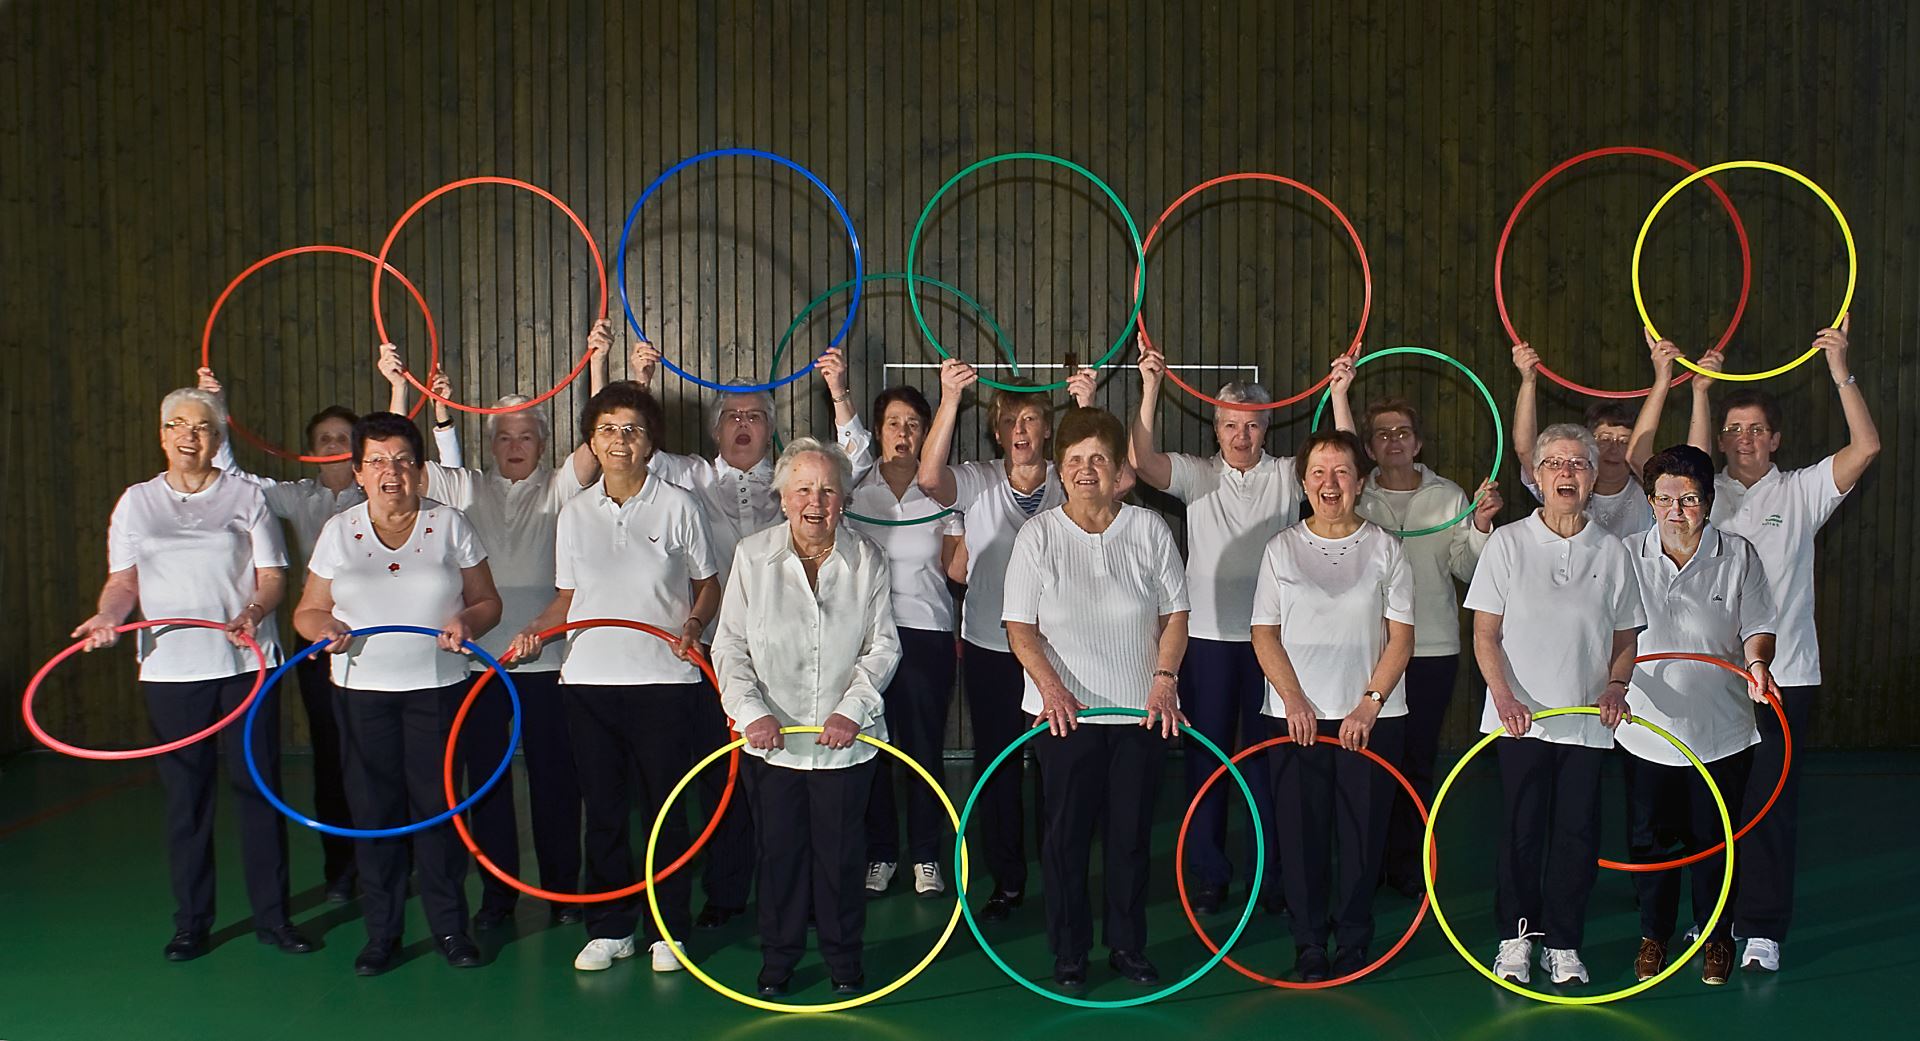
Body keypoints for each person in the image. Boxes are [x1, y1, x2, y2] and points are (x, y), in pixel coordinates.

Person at [629, 337, 871, 927]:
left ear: (772, 431)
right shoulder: (685, 476)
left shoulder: (797, 483)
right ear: (716, 431)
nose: (744, 424)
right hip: (708, 652)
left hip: (798, 658)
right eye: (733, 416)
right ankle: (728, 893)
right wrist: (639, 380)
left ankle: (808, 906)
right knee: (723, 780)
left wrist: (839, 393)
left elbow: (853, 462)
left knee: (797, 788)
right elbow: (632, 451)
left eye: (756, 416)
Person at [378, 323, 610, 931]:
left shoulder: (561, 487)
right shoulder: (463, 488)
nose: (515, 445)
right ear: (490, 444)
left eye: (526, 435)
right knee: (486, 787)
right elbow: (396, 455)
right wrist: (400, 390)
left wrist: (598, 362)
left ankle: (563, 893)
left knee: (560, 784)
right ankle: (499, 898)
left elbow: (599, 430)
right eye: (504, 436)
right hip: (480, 666)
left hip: (551, 665)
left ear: (541, 442)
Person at [71, 386, 307, 961]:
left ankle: (274, 918)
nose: (188, 435)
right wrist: (107, 617)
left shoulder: (246, 496)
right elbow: (123, 582)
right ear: (161, 435)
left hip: (245, 666)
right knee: (186, 800)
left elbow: (273, 576)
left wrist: (251, 612)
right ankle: (191, 922)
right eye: (176, 425)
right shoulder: (136, 502)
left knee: (259, 792)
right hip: (171, 670)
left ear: (218, 438)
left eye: (201, 427)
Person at [1129, 341, 1358, 915]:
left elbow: (1346, 458)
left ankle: (1272, 873)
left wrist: (1339, 396)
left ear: (1266, 428)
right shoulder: (1197, 474)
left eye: (1252, 427)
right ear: (1216, 427)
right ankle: (1209, 872)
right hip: (1205, 642)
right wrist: (1151, 387)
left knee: (1268, 763)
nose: (1241, 437)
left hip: (1271, 643)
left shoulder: (1287, 475)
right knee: (1207, 762)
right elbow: (1141, 461)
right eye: (1231, 426)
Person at [1682, 316, 1877, 972]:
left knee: (1765, 808)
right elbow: (1686, 459)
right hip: (1709, 679)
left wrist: (1840, 369)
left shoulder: (1799, 492)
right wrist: (1701, 392)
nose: (1743, 440)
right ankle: (1714, 922)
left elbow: (1868, 446)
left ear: (1776, 439)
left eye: (1756, 428)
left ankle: (1761, 927)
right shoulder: (1702, 498)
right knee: (1713, 811)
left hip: (1782, 676)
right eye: (1733, 429)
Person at [508, 380, 721, 975]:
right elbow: (568, 599)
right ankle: (610, 928)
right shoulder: (574, 514)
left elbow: (708, 583)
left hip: (664, 682)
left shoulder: (678, 505)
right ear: (591, 441)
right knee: (602, 810)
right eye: (607, 429)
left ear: (651, 441)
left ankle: (668, 929)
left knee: (664, 812)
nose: (620, 440)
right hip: (589, 684)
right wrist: (536, 631)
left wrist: (694, 624)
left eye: (632, 429)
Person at [291, 411, 503, 976]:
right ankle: (380, 934)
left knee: (437, 815)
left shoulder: (450, 523)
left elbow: (487, 602)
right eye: (378, 461)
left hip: (436, 692)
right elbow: (308, 611)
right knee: (375, 816)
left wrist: (468, 625)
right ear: (358, 471)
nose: (392, 472)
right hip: (361, 696)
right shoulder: (340, 531)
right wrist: (324, 629)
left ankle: (450, 928)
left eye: (404, 461)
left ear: (420, 469)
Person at [1001, 406, 1189, 988]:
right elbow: (1020, 628)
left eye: (1099, 460)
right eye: (1076, 460)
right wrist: (1052, 691)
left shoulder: (1149, 530)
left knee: (1131, 840)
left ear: (1118, 472)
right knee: (1065, 841)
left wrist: (1164, 680)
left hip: (1139, 716)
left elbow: (1176, 614)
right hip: (1066, 719)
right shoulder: (1038, 535)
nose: (1087, 471)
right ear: (1061, 470)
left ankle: (1128, 947)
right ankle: (1069, 951)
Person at [711, 439, 902, 997]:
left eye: (827, 490)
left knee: (842, 861)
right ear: (783, 497)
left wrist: (851, 711)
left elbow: (883, 648)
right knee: (779, 860)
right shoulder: (751, 556)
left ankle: (845, 963)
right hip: (773, 746)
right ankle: (779, 962)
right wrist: (750, 713)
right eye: (803, 489)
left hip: (847, 745)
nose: (815, 501)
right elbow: (730, 649)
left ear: (843, 500)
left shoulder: (867, 557)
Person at [1463, 422, 1644, 987]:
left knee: (1576, 835)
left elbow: (1625, 637)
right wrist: (1505, 697)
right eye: (1555, 465)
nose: (1566, 474)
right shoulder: (1508, 543)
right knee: (1520, 832)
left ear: (1593, 477)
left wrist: (1616, 686)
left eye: (1578, 464)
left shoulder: (1612, 551)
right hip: (1521, 722)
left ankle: (1564, 942)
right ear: (1536, 477)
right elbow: (1485, 634)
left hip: (1585, 726)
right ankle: (1517, 936)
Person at [916, 359, 1096, 921]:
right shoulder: (975, 480)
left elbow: (1118, 472)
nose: (1021, 430)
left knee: (1058, 763)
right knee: (997, 765)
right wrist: (948, 399)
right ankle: (1008, 878)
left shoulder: (1072, 481)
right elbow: (928, 479)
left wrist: (1084, 405)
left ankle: (1062, 871)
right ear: (997, 432)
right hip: (993, 648)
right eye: (1010, 421)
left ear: (1048, 430)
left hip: (1059, 649)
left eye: (1032, 420)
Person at [1251, 429, 1415, 981]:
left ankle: (1352, 938)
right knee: (1301, 836)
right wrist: (1293, 698)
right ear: (1302, 483)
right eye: (1318, 473)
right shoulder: (1281, 549)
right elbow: (1264, 634)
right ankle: (1308, 943)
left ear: (1360, 482)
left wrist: (1369, 703)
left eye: (1341, 472)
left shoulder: (1386, 549)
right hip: (1294, 718)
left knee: (1362, 833)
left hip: (1370, 719)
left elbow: (1400, 638)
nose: (1329, 483)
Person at [200, 369, 362, 902]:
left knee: (381, 755)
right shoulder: (298, 497)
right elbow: (232, 476)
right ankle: (343, 870)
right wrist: (215, 405)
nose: (333, 447)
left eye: (343, 439)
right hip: (317, 642)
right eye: (324, 440)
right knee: (330, 751)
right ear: (311, 452)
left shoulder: (382, 491)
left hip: (384, 643)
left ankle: (394, 860)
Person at [1620, 444, 1779, 986]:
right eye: (1664, 498)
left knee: (1715, 843)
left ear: (1708, 503)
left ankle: (1715, 936)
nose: (1676, 509)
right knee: (1650, 845)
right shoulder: (1623, 555)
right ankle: (1653, 936)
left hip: (1722, 732)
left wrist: (1757, 664)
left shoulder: (1738, 555)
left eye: (1688, 499)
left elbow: (1758, 626)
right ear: (1649, 501)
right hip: (1644, 730)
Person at [1352, 397, 1502, 895]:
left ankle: (1406, 864)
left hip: (1432, 648)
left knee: (1417, 762)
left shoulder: (1448, 495)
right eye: (1381, 433)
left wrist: (1480, 525)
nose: (1392, 440)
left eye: (1402, 432)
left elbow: (1468, 569)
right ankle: (1365, 865)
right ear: (1369, 447)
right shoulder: (1355, 497)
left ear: (1417, 442)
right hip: (1368, 653)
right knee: (1369, 764)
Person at [844, 384, 966, 898]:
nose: (903, 433)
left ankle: (926, 857)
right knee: (870, 750)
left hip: (926, 637)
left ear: (926, 434)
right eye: (893, 423)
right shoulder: (852, 494)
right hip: (865, 639)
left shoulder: (942, 496)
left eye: (913, 424)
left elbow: (957, 572)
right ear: (878, 431)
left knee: (922, 752)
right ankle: (881, 854)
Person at [1511, 341, 1654, 538]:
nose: (1613, 449)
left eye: (1624, 441)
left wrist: (1664, 377)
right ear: (1589, 445)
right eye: (1605, 439)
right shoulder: (1569, 485)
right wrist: (1529, 380)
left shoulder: (1649, 492)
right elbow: (1525, 450)